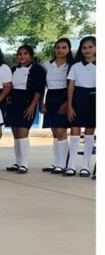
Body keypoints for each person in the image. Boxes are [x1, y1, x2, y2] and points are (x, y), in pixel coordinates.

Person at [5, 45, 47, 174]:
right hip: (14, 103)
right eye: (19, 54)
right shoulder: (13, 69)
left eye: (25, 53)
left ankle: (24, 163)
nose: (22, 56)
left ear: (31, 55)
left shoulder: (37, 69)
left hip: (27, 102)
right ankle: (18, 162)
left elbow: (39, 89)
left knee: (23, 133)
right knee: (16, 135)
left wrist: (33, 105)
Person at [40, 38, 74, 174]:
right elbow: (42, 85)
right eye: (58, 47)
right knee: (55, 132)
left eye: (64, 47)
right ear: (54, 49)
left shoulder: (72, 65)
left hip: (65, 97)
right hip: (50, 97)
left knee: (61, 131)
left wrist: (67, 103)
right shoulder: (46, 64)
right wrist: (41, 102)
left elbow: (74, 86)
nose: (60, 50)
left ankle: (63, 164)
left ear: (69, 49)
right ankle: (56, 163)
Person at [65, 36, 96, 177]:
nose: (87, 50)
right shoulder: (76, 66)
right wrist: (70, 105)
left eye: (90, 47)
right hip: (78, 98)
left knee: (90, 131)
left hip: (94, 98)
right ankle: (71, 165)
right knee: (75, 130)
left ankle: (85, 166)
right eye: (84, 47)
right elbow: (71, 87)